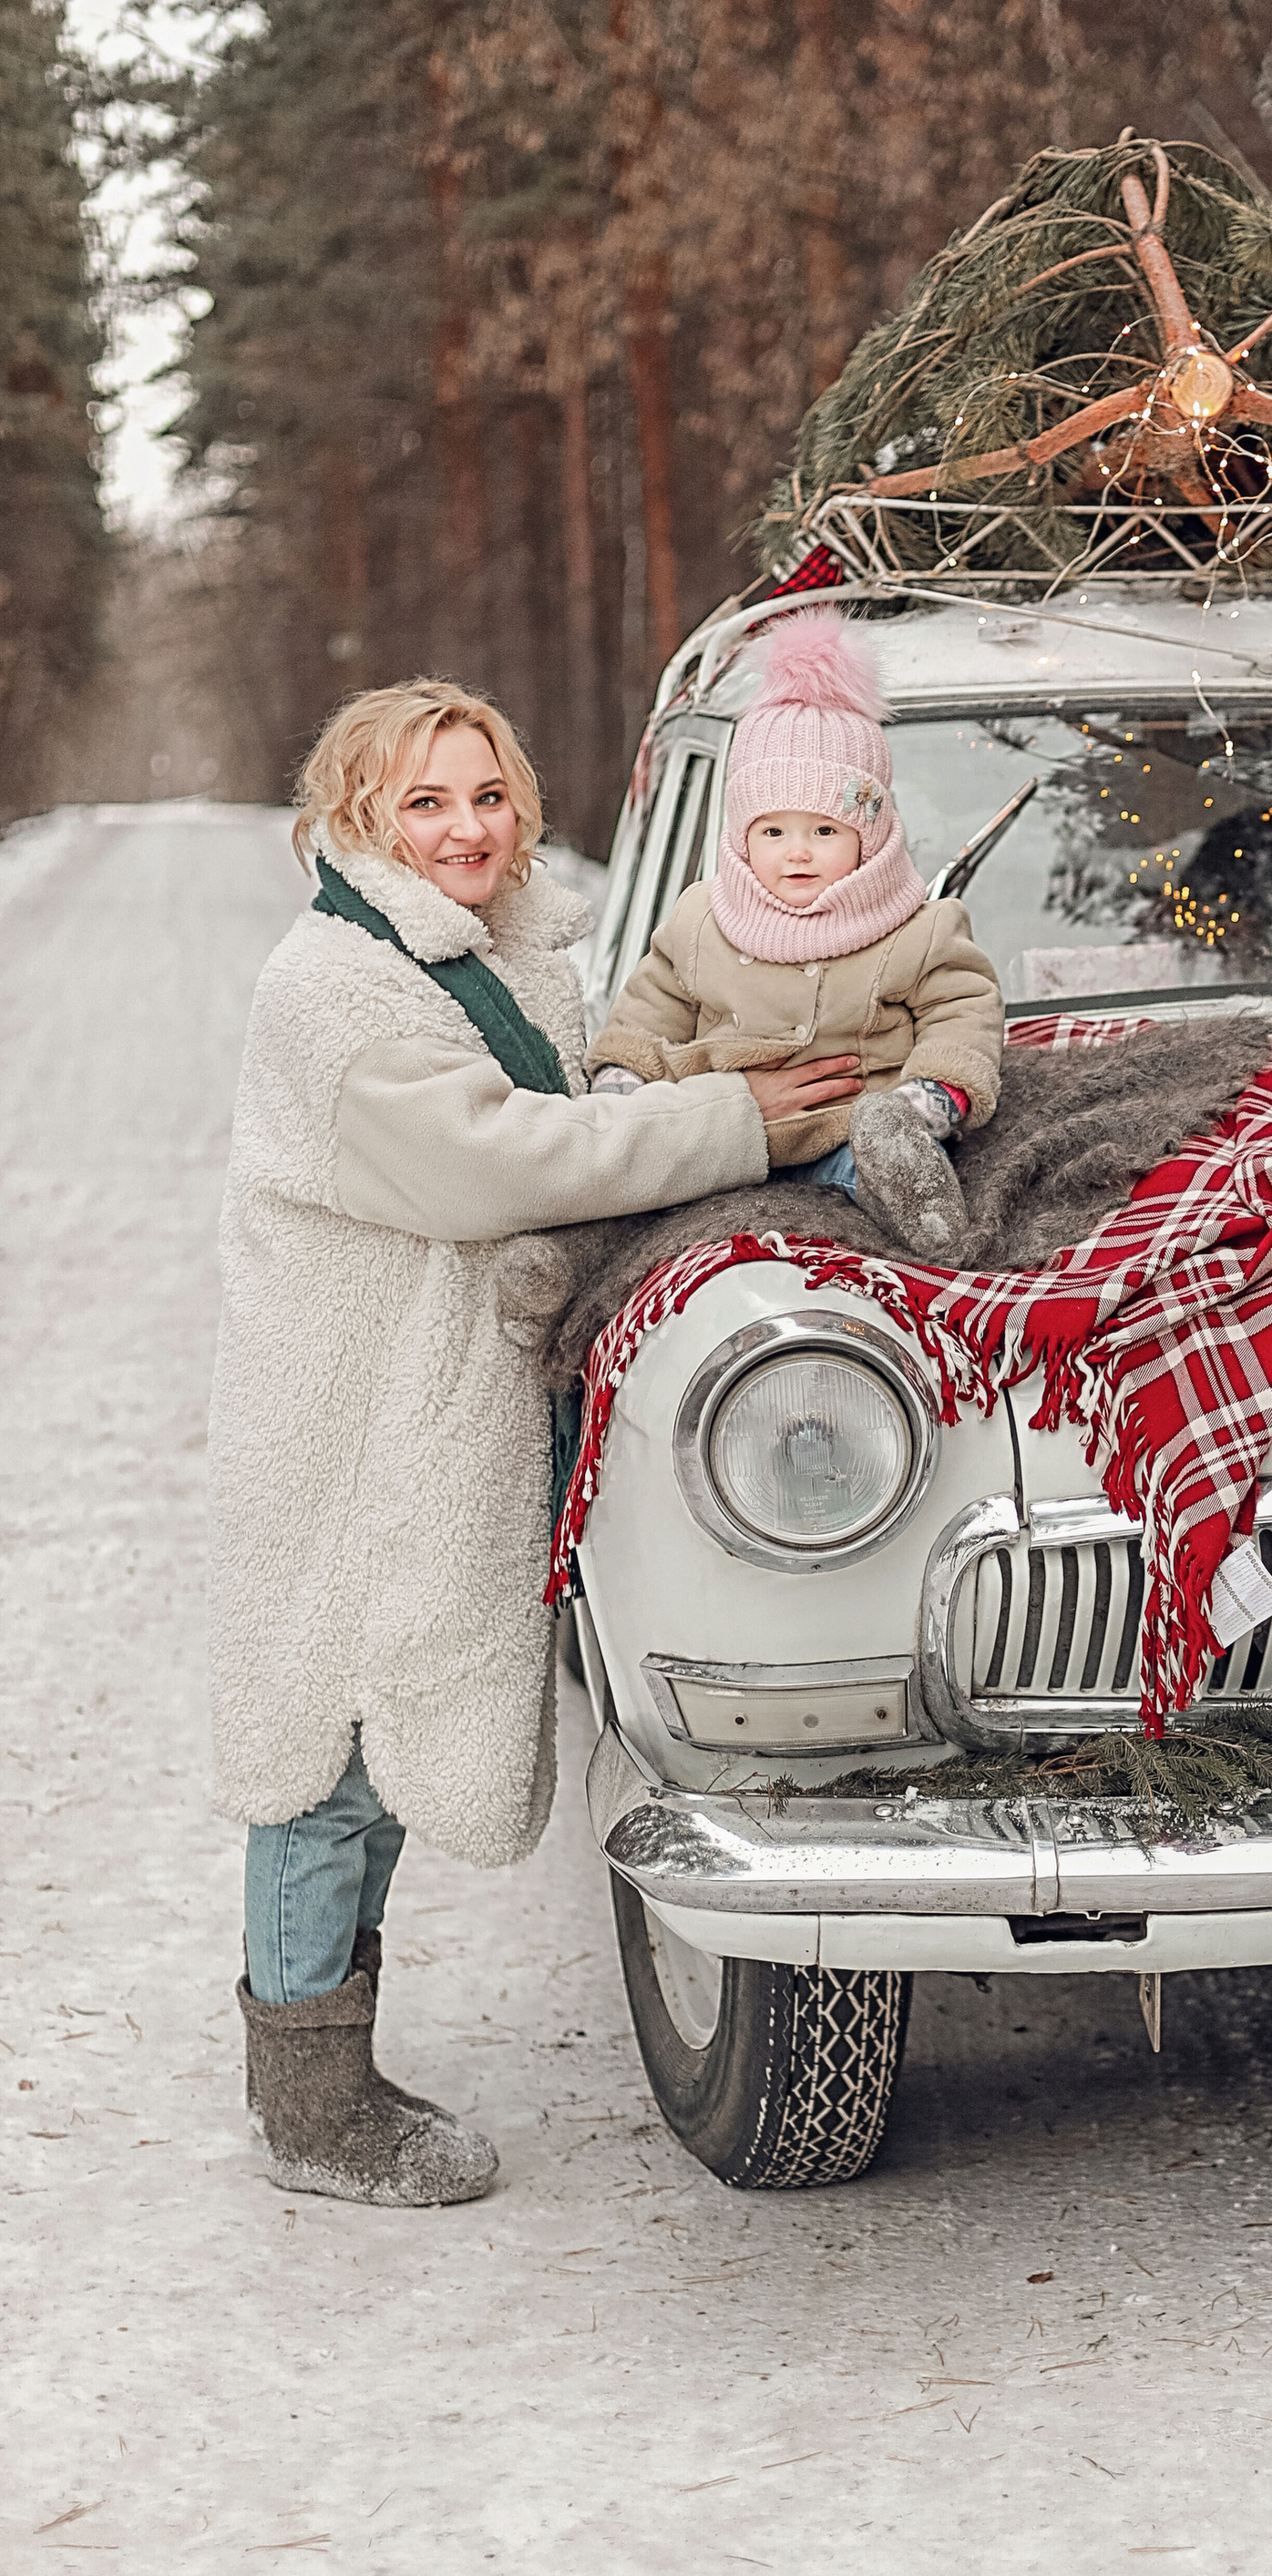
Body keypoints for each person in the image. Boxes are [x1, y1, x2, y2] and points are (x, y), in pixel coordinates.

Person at [210, 678, 825, 2208]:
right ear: (360, 815)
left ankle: (331, 2059)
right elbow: (505, 1159)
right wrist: (742, 1123)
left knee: (396, 1731)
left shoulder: (510, 945)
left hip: (441, 1418)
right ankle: (310, 2101)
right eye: (426, 802)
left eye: (486, 795)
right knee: (326, 1746)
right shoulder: (333, 992)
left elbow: (570, 1090)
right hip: (355, 1431)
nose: (467, 828)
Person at [585, 611, 1002, 1262]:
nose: (796, 854)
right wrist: (623, 1078)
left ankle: (922, 1206)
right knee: (630, 1201)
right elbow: (650, 1008)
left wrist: (934, 1094)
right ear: (742, 838)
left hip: (850, 1133)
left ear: (870, 837)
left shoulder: (917, 927)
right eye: (773, 832)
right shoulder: (703, 919)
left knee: (876, 1173)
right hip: (720, 1142)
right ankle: (563, 1263)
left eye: (825, 832)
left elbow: (964, 1010)